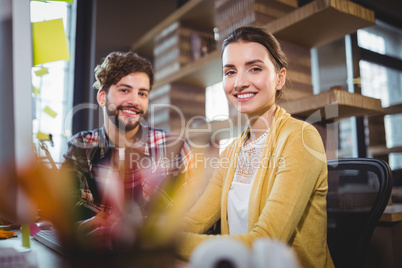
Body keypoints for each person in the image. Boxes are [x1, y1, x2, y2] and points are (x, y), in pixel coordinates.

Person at [178, 26, 334, 268]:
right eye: (230, 72)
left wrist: (172, 244)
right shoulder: (232, 151)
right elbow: (194, 219)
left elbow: (266, 241)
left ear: (280, 78)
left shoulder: (301, 137)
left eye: (255, 68)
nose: (239, 83)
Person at [61, 51, 193, 249]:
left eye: (142, 93)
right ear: (102, 97)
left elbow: (194, 218)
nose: (134, 101)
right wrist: (77, 231)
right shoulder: (81, 146)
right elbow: (64, 212)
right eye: (124, 90)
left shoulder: (176, 148)